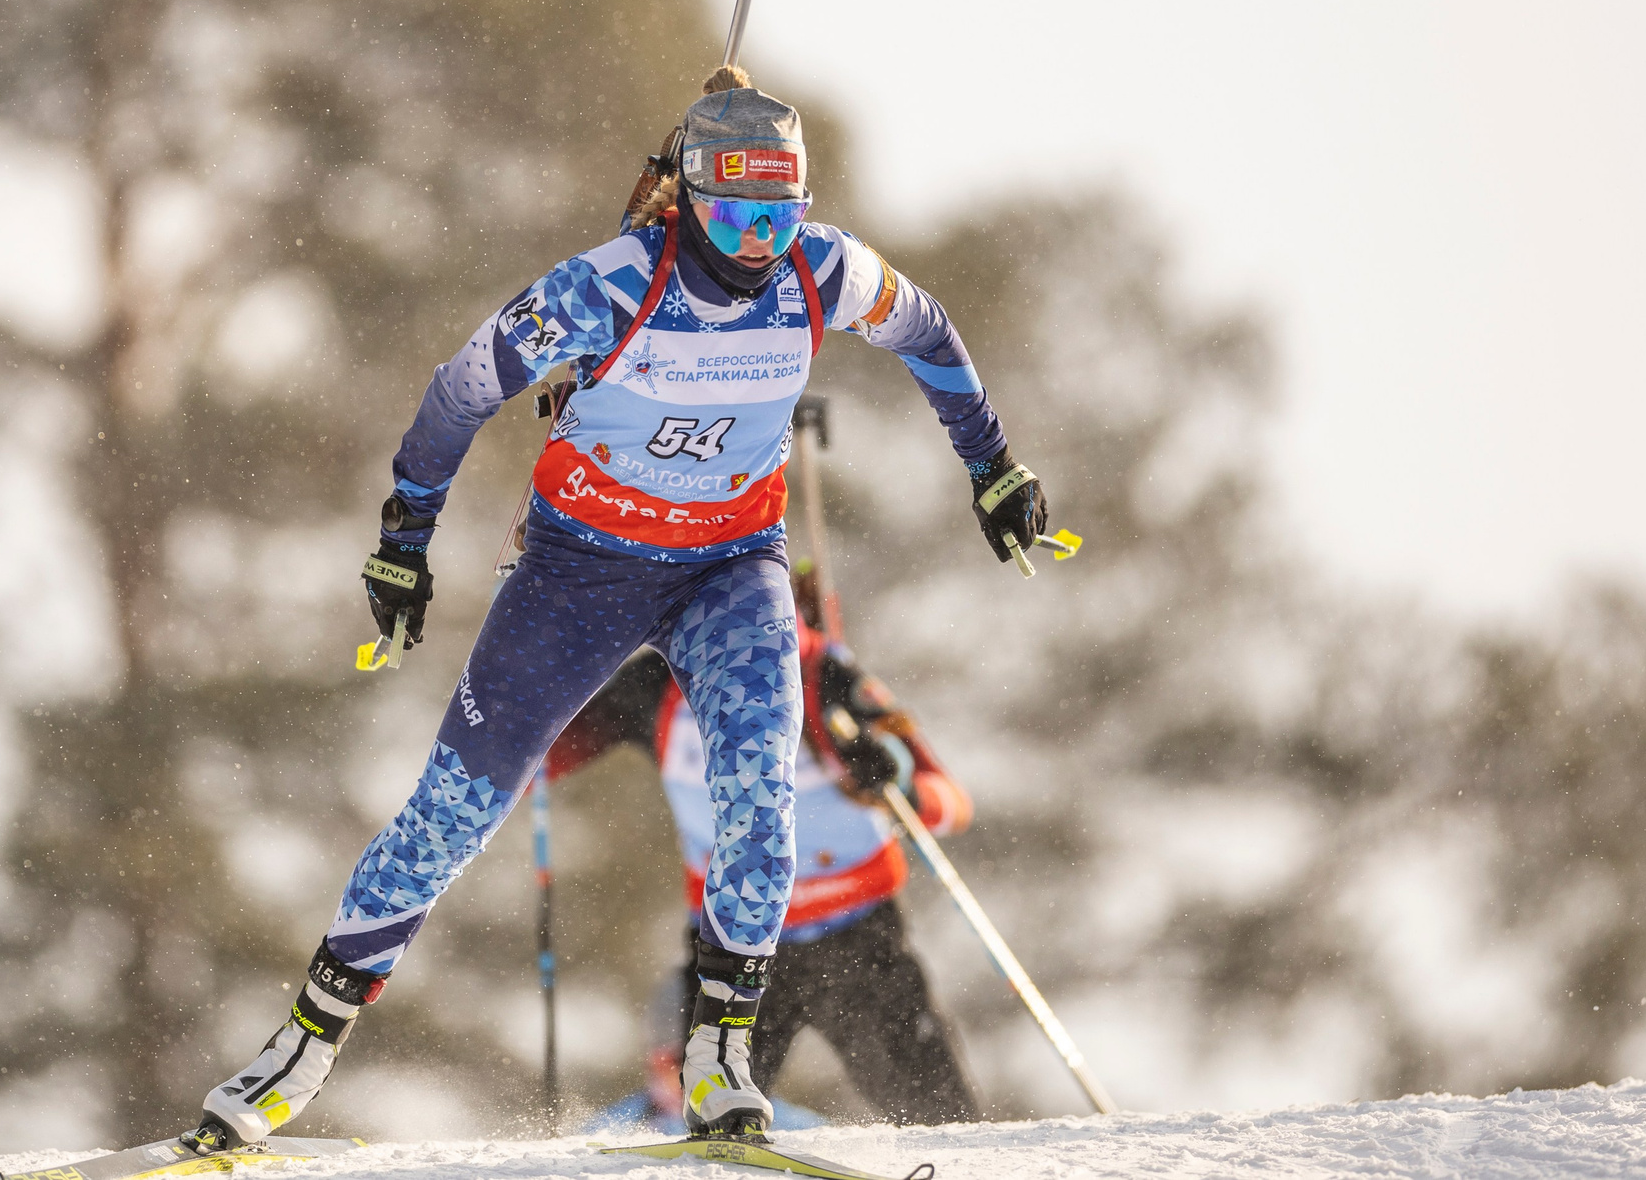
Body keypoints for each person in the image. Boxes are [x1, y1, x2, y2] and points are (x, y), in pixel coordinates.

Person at [183, 73, 1048, 1152]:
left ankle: (720, 1055)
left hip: (731, 567)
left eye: (779, 215)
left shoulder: (823, 270)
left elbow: (929, 332)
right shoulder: (603, 289)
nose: (759, 241)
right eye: (735, 214)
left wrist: (993, 468)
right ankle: (298, 1053)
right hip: (579, 572)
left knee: (758, 795)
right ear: (684, 197)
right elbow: (460, 390)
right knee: (450, 815)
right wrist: (404, 538)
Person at [549, 564, 980, 1129]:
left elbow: (950, 801)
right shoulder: (657, 686)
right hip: (733, 942)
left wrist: (895, 786)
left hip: (857, 940)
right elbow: (536, 752)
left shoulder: (824, 674)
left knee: (939, 1119)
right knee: (698, 1121)